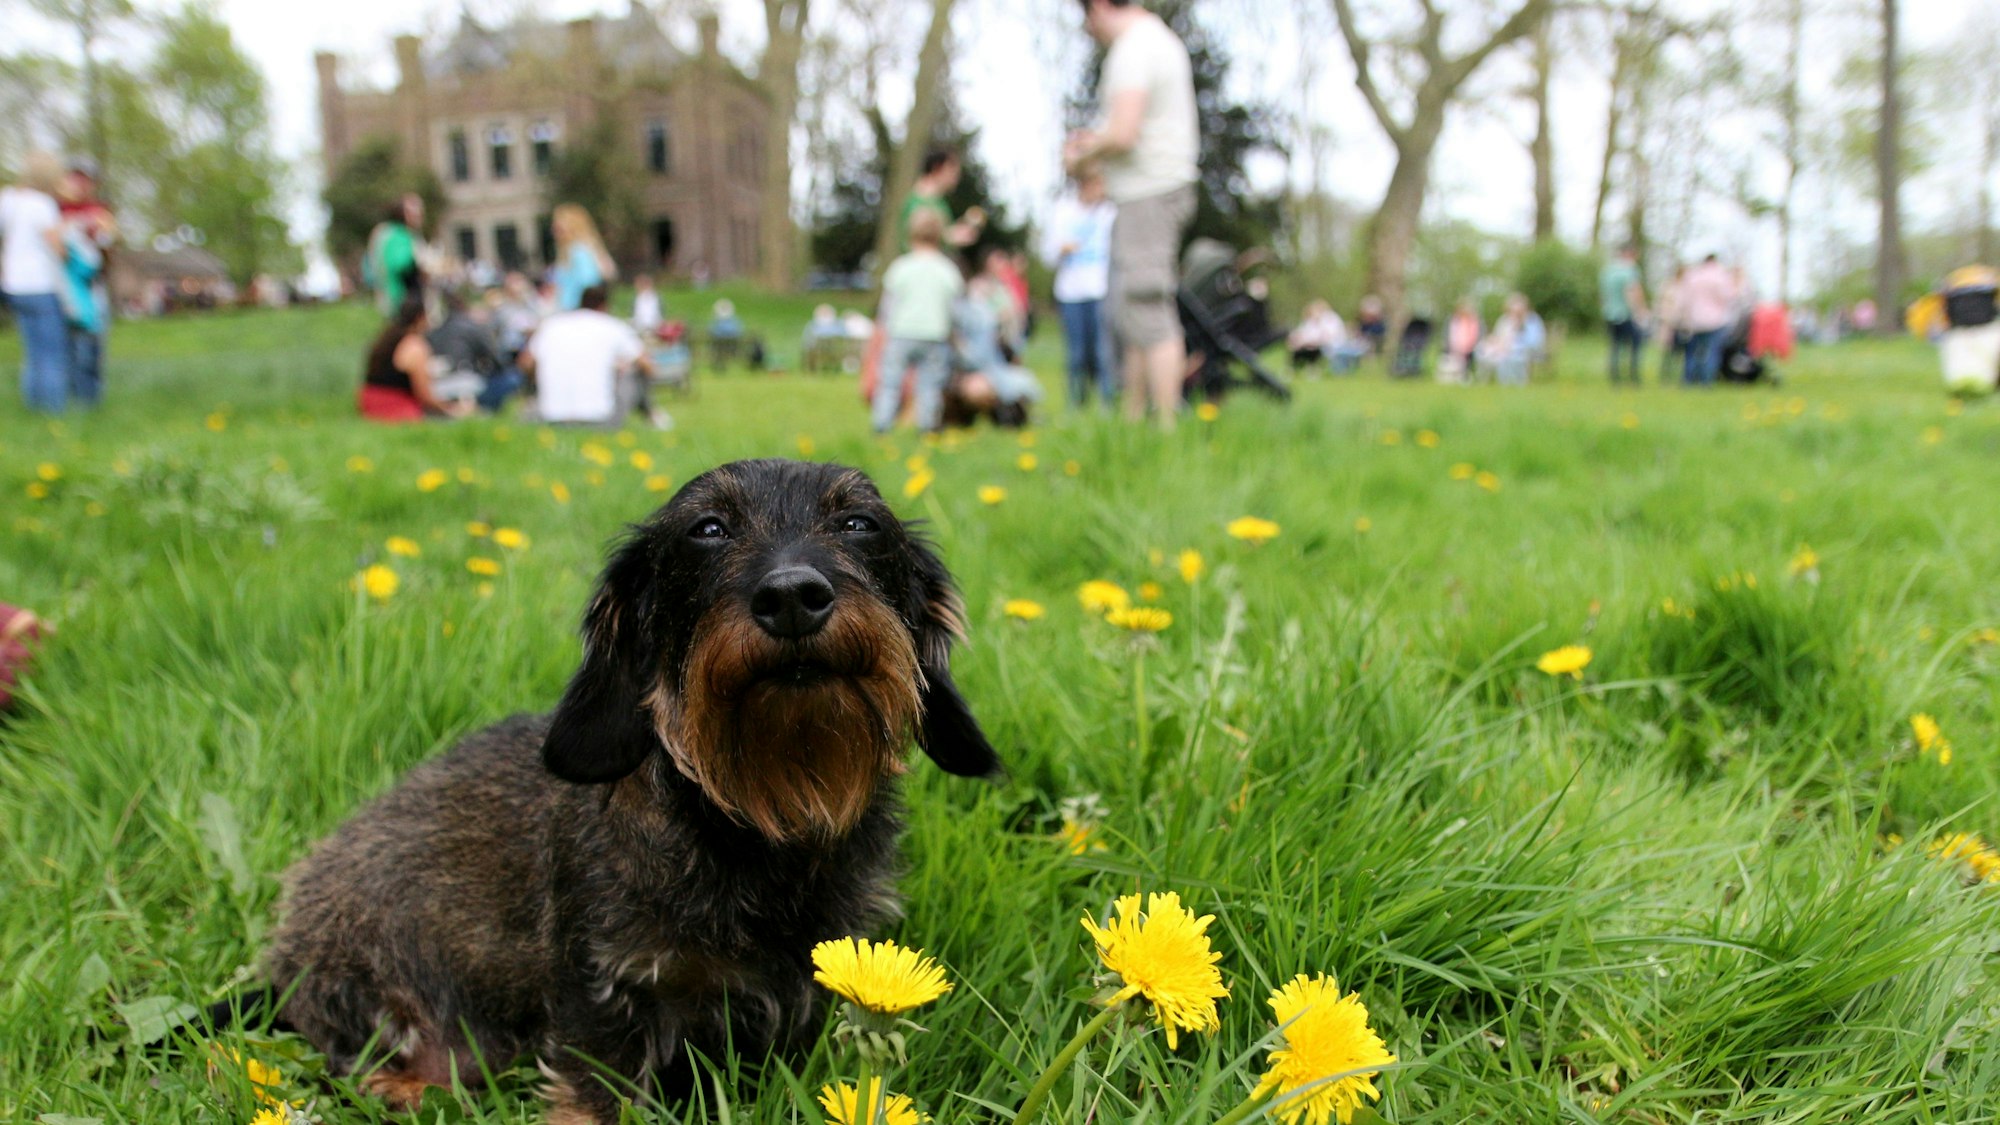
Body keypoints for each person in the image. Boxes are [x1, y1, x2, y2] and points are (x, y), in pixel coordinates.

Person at [1067, 0, 1198, 430]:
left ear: (1101, 6)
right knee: (1130, 312)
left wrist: (1083, 150)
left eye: (1087, 17)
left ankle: (1165, 424)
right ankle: (1135, 419)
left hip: (1150, 193)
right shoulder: (1154, 40)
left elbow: (1124, 132)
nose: (1089, 30)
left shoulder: (1134, 48)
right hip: (1144, 193)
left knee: (1146, 302)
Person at [871, 209, 963, 433]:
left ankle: (881, 427)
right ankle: (927, 429)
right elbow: (955, 310)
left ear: (910, 234)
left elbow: (887, 307)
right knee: (929, 387)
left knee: (890, 384)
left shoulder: (901, 267)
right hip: (935, 336)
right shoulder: (947, 270)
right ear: (940, 235)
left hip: (901, 334)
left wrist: (881, 332)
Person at [520, 284, 661, 426]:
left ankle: (536, 405)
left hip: (550, 417)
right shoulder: (612, 326)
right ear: (604, 306)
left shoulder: (552, 324)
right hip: (600, 419)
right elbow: (648, 366)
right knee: (636, 373)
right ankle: (654, 417)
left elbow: (525, 363)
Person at [3, 153, 74, 413]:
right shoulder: (42, 204)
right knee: (52, 352)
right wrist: (66, 241)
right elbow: (57, 249)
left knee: (32, 351)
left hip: (14, 286)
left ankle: (33, 407)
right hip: (40, 285)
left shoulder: (9, 200)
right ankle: (53, 410)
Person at [1042, 169, 1119, 408]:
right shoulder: (1063, 211)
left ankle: (1108, 404)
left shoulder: (1110, 213)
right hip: (1071, 293)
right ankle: (1075, 405)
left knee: (1103, 352)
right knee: (1076, 354)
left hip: (1102, 291)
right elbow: (1047, 255)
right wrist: (1061, 250)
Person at [359, 297, 473, 422]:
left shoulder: (387, 339)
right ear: (420, 317)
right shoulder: (415, 345)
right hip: (397, 407)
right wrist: (452, 411)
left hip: (369, 402)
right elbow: (424, 396)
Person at [58, 159, 114, 406]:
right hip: (62, 288)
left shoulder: (100, 211)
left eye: (85, 179)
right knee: (66, 346)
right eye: (74, 177)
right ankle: (69, 395)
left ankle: (91, 398)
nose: (79, 184)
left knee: (92, 344)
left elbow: (109, 244)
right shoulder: (54, 210)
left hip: (91, 288)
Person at [428, 290, 522, 413]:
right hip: (467, 381)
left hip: (439, 384)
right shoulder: (471, 327)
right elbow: (493, 357)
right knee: (513, 378)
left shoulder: (434, 331)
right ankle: (487, 411)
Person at [899, 148, 986, 252]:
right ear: (937, 168)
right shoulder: (917, 202)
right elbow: (914, 242)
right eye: (952, 171)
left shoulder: (940, 203)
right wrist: (949, 237)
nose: (956, 177)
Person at [1679, 254, 1739, 386]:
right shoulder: (1720, 276)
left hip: (1694, 320)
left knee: (1692, 352)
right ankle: (1706, 381)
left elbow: (1684, 300)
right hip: (1715, 321)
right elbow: (1728, 297)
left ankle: (1689, 380)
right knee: (1712, 351)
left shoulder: (1692, 275)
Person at [364, 193, 428, 316]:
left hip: (398, 295)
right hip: (402, 295)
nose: (419, 214)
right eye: (413, 210)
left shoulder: (401, 234)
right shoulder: (399, 235)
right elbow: (400, 265)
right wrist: (422, 262)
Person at [552, 203, 616, 312]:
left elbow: (588, 284)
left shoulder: (578, 251)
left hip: (577, 313)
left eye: (558, 228)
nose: (553, 230)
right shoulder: (580, 250)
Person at [1601, 243, 1648, 386]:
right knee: (1636, 345)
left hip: (1610, 314)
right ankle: (1633, 376)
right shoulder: (1630, 270)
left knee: (1615, 346)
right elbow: (1632, 292)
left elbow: (1603, 295)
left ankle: (1615, 377)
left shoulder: (1608, 271)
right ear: (1630, 254)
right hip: (1627, 314)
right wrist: (1639, 312)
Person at [1479, 293, 1545, 386]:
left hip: (1527, 350)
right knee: (1485, 351)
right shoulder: (1505, 320)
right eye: (1512, 310)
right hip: (1504, 349)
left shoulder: (1532, 320)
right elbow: (1499, 336)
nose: (1515, 312)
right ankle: (1497, 381)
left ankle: (1516, 381)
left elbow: (1535, 341)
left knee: (1509, 355)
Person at [1286, 300, 1352, 376]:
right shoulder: (1310, 321)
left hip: (1331, 345)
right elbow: (1302, 333)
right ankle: (1293, 369)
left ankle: (1311, 369)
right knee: (1299, 349)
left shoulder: (1329, 319)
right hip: (1311, 344)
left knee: (1313, 349)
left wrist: (1308, 342)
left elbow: (1326, 337)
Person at [1655, 264, 1687, 384]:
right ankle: (1665, 376)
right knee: (1667, 352)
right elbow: (1661, 305)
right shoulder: (1668, 286)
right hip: (1668, 323)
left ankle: (1676, 376)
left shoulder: (1686, 287)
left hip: (1681, 324)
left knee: (1679, 352)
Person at [1441, 300, 1481, 382]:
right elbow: (1448, 337)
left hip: (1470, 348)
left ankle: (1466, 374)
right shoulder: (1453, 321)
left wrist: (1467, 347)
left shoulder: (1474, 322)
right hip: (1454, 348)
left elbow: (1476, 337)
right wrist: (1455, 347)